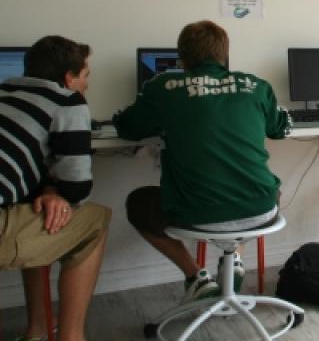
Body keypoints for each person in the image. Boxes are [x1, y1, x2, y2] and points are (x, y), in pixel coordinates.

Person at [0, 35, 136, 341]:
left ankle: (39, 326)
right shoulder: (67, 101)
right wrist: (57, 192)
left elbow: (7, 170)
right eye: (86, 76)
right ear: (69, 78)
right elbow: (77, 190)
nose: (87, 84)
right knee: (94, 220)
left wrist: (46, 190)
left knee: (39, 210)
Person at [114, 20, 291, 301]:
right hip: (262, 211)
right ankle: (234, 258)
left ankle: (196, 277)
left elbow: (127, 128)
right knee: (265, 188)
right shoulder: (256, 86)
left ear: (182, 58)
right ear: (224, 54)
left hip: (197, 216)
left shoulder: (163, 87)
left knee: (138, 202)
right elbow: (281, 128)